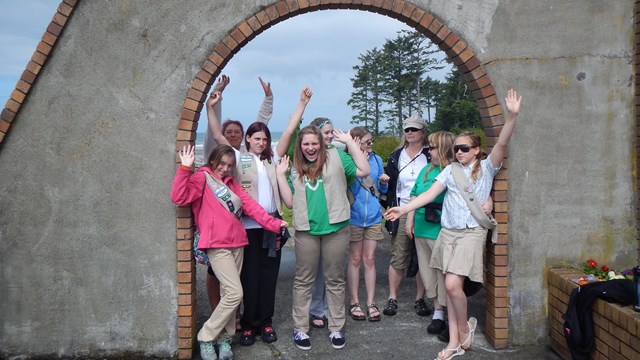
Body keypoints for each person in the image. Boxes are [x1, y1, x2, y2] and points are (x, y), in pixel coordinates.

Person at [384, 89, 522, 360]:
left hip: (471, 234)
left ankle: (455, 339)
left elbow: (502, 144)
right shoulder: (449, 170)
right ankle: (462, 332)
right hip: (448, 233)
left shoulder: (487, 168)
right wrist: (404, 208)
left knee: (450, 286)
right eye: (457, 148)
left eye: (465, 148)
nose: (459, 152)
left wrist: (512, 116)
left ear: (477, 150)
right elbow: (427, 195)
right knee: (451, 287)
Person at [207, 86, 313, 346]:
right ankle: (248, 326)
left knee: (268, 278)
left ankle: (266, 323)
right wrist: (211, 107)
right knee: (248, 279)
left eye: (265, 139)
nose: (261, 142)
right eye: (257, 139)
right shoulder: (237, 158)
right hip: (247, 228)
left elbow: (289, 130)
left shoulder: (273, 160)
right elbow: (218, 135)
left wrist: (302, 104)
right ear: (248, 140)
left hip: (272, 228)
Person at [170, 144, 288, 360]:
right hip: (217, 245)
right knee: (236, 293)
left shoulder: (232, 185)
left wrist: (274, 223)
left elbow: (251, 207)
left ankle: (224, 340)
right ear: (213, 161)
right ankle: (206, 336)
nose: (225, 168)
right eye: (222, 164)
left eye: (229, 165)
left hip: (238, 244)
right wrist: (185, 169)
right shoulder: (202, 178)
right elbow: (179, 198)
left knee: (228, 295)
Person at [276, 125, 370, 351]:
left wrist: (349, 142)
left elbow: (364, 170)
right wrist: (280, 175)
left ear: (322, 143)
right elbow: (290, 202)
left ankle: (336, 327)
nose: (310, 148)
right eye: (306, 144)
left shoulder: (337, 157)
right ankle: (300, 328)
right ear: (300, 145)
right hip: (306, 230)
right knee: (303, 280)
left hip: (336, 228)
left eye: (314, 143)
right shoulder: (295, 165)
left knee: (335, 279)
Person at [201, 75, 273, 332]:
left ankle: (232, 323)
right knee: (218, 276)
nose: (231, 135)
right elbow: (214, 131)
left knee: (240, 279)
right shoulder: (217, 160)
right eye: (229, 132)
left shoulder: (245, 157)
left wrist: (268, 99)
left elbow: (261, 127)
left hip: (240, 227)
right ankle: (217, 322)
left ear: (243, 137)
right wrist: (212, 105)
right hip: (217, 228)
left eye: (236, 133)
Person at [382, 114, 431, 318]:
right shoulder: (396, 155)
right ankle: (392, 298)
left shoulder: (431, 154)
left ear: (422, 132)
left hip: (425, 211)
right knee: (398, 256)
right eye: (407, 129)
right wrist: (385, 180)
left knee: (423, 257)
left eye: (414, 129)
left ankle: (420, 299)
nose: (410, 133)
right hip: (402, 209)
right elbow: (391, 183)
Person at [346, 126, 389, 322]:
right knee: (355, 259)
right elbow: (348, 186)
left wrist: (383, 182)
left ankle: (371, 302)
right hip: (354, 216)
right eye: (367, 141)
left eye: (372, 140)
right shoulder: (348, 160)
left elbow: (380, 189)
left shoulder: (377, 160)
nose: (371, 144)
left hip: (373, 216)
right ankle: (355, 302)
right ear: (356, 142)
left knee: (369, 259)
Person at [306, 116, 335, 329]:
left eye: (332, 132)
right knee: (313, 274)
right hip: (312, 226)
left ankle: (329, 310)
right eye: (326, 133)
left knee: (332, 272)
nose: (330, 136)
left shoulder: (336, 157)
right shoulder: (303, 161)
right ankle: (317, 309)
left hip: (335, 223)